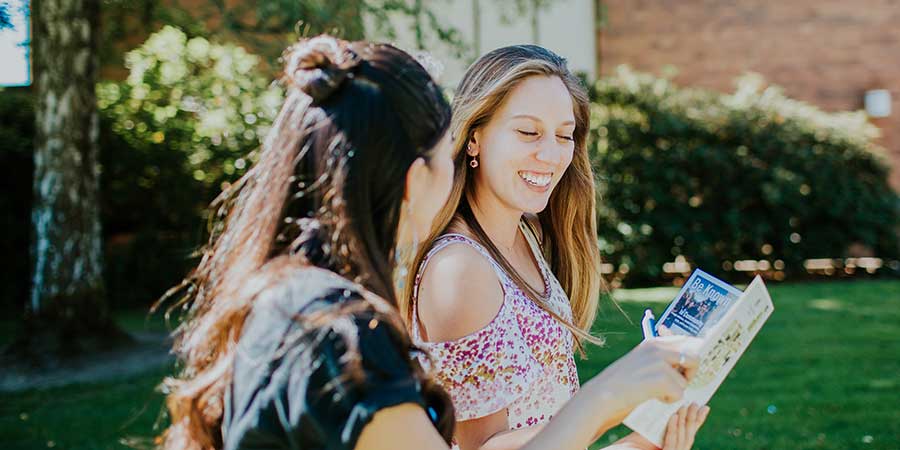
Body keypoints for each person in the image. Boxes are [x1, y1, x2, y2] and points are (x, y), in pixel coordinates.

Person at [157, 35, 701, 450]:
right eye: (445, 155)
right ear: (417, 178)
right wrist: (605, 397)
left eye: (564, 135)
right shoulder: (342, 338)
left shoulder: (294, 306)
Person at [405, 44, 710, 450]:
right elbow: (483, 446)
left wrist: (640, 443)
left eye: (564, 135)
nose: (550, 155)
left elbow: (551, 429)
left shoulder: (525, 236)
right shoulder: (460, 269)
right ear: (474, 137)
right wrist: (616, 396)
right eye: (528, 132)